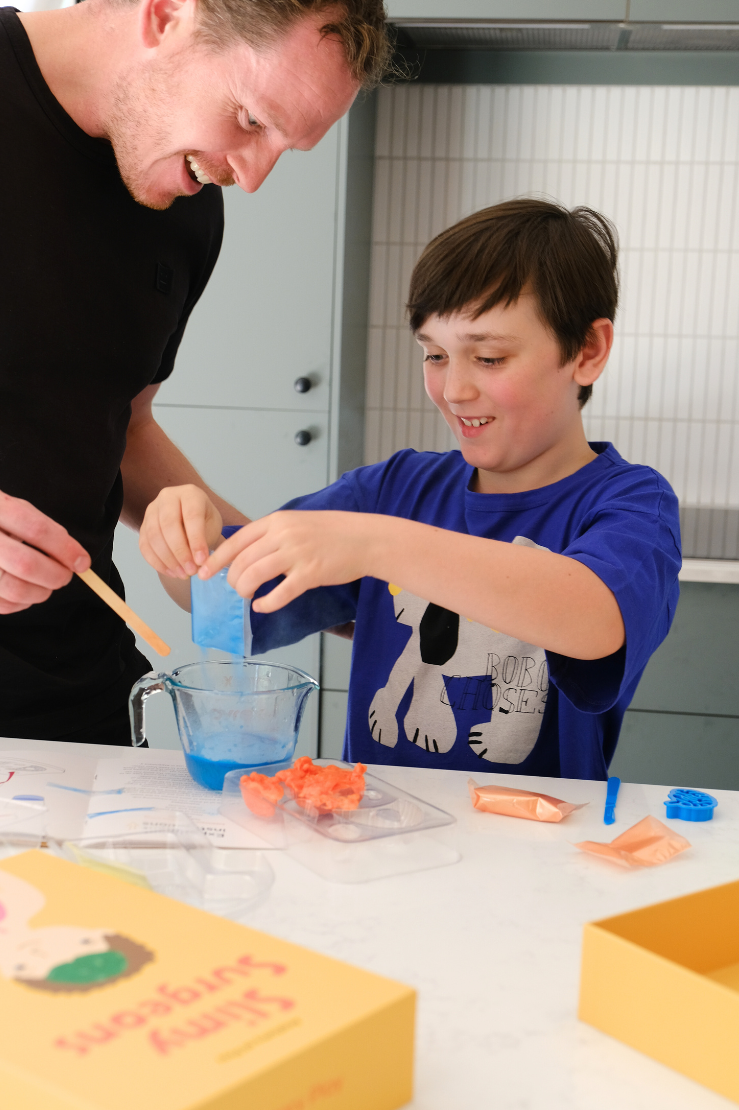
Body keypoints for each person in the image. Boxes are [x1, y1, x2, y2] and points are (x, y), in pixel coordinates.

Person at [0, 0, 389, 744]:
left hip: (86, 711)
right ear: (165, 15)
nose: (250, 178)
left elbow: (120, 425)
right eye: (251, 120)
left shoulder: (186, 206)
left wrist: (280, 571)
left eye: (285, 147)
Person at [141, 199, 682, 779]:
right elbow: (229, 591)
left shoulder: (630, 503)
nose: (453, 389)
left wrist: (375, 545)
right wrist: (183, 538)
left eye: (490, 357)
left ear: (587, 351)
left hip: (537, 850)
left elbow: (594, 616)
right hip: (377, 839)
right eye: (435, 355)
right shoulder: (396, 489)